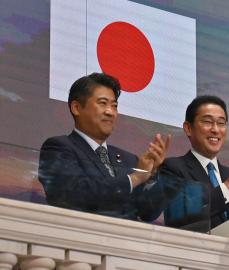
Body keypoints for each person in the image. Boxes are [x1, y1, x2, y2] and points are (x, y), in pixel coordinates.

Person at [38, 73, 171, 221]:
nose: (110, 112)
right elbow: (74, 196)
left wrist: (151, 176)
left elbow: (148, 213)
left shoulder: (129, 160)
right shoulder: (58, 148)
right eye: (103, 103)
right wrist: (135, 178)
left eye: (114, 106)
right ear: (76, 108)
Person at [159, 95, 229, 228]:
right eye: (208, 122)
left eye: (221, 123)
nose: (215, 129)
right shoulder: (173, 168)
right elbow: (184, 214)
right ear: (188, 128)